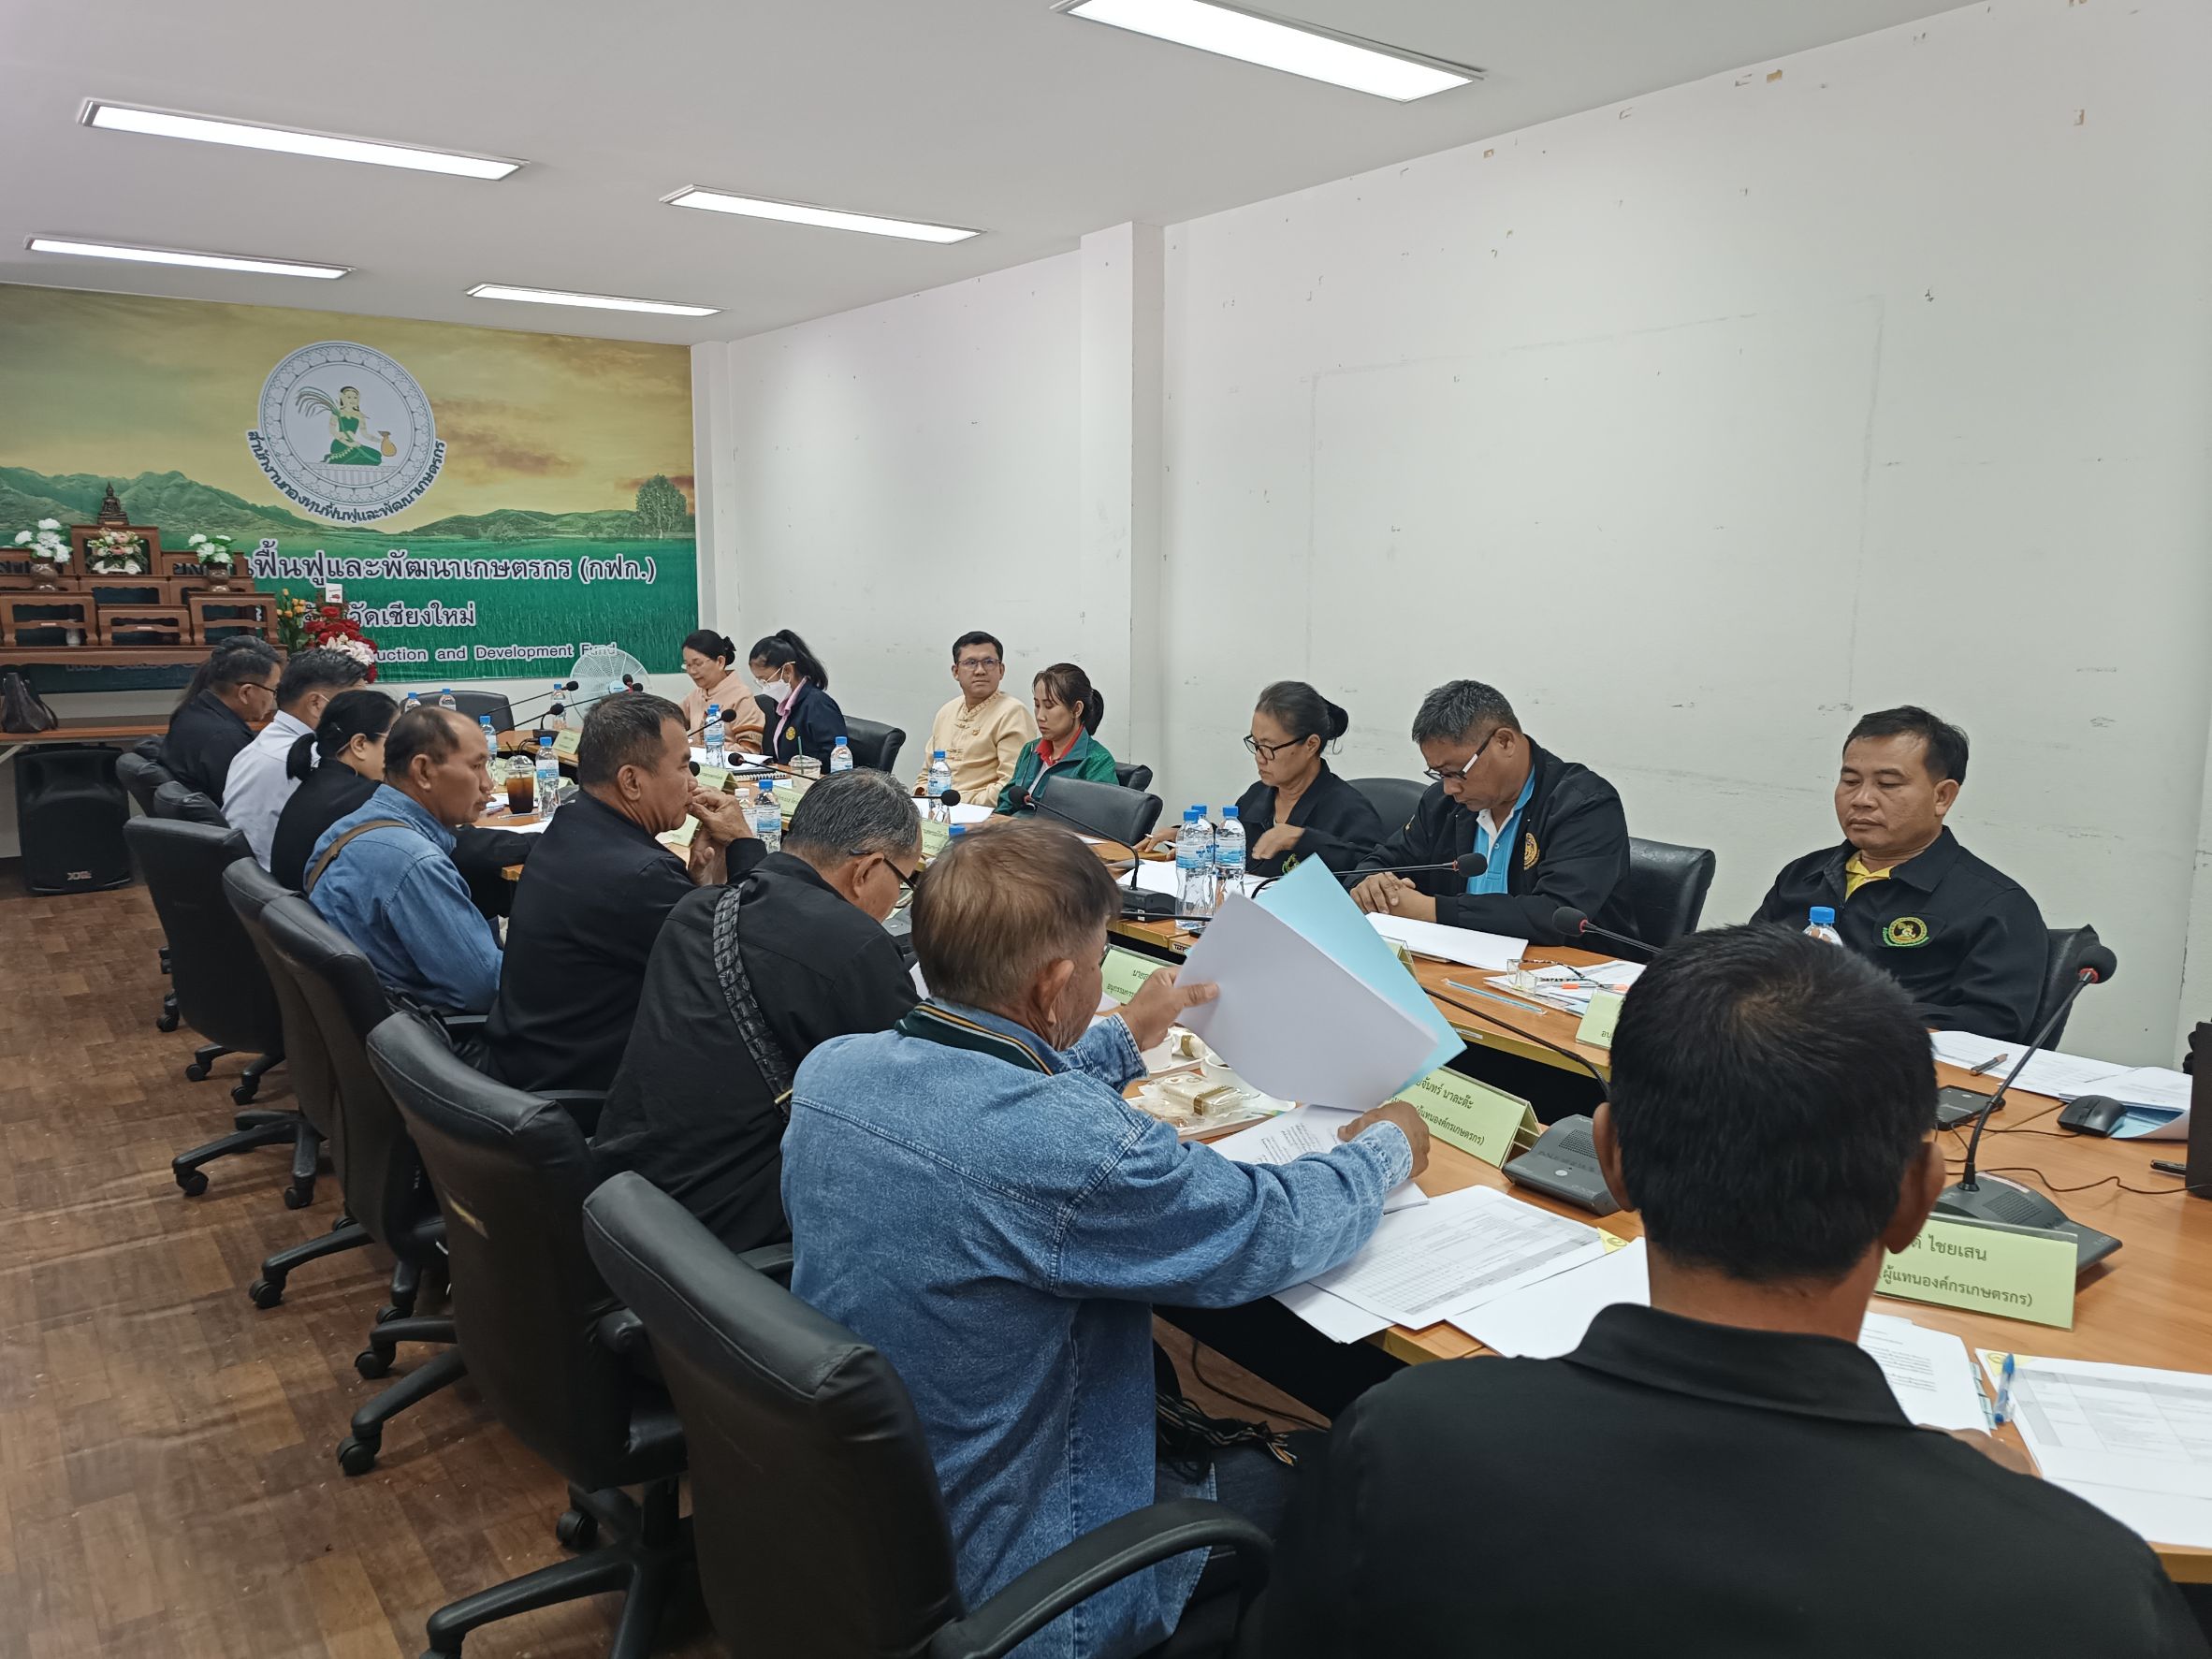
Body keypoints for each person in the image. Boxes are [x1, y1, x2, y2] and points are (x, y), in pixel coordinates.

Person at [1244, 925, 2205, 1658]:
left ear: (1611, 1158)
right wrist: (2014, 1521)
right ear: (1917, 1199)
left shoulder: (1402, 1440)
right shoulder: (2083, 1591)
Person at [783, 822, 1429, 1659]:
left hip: (875, 1518)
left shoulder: (833, 1069)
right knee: (1333, 1469)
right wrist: (1384, 1152)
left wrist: (1125, 1033)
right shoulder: (1077, 1151)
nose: (1099, 977)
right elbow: (1266, 1227)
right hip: (1033, 1576)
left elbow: (986, 1086)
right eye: (1097, 962)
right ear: (1055, 986)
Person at [595, 768, 924, 1251]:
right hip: (728, 1228)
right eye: (903, 881)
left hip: (626, 1198)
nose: (899, 897)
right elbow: (913, 1101)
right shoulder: (853, 946)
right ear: (867, 870)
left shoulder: (693, 910)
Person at [487, 693, 762, 1093]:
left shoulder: (571, 824)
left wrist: (696, 895)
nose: (693, 783)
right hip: (586, 1094)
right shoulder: (641, 875)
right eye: (683, 766)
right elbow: (752, 962)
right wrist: (743, 844)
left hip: (527, 1065)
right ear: (632, 781)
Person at [1754, 706, 2046, 1042]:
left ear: (1942, 796)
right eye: (1850, 781)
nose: (1862, 799)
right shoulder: (1803, 875)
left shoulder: (1995, 905)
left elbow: (1994, 1026)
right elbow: (1743, 971)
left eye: (1888, 784)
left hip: (1891, 1065)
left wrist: (1851, 1017)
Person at [1351, 678, 1634, 945]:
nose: (1449, 788)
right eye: (1439, 774)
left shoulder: (1584, 804)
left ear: (1504, 742)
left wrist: (1430, 910)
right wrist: (1371, 885)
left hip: (1572, 971)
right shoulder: (1442, 803)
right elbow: (1377, 862)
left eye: (1456, 772)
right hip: (1462, 962)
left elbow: (1555, 913)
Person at [304, 706, 502, 1013]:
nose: (488, 783)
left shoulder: (343, 830)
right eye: (476, 766)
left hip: (371, 1023)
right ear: (423, 771)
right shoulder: (413, 862)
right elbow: (487, 989)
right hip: (435, 1034)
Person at [223, 648, 369, 866]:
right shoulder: (307, 761)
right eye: (356, 703)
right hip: (283, 879)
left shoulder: (263, 741)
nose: (364, 713)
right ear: (316, 704)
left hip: (250, 876)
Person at [1233, 681, 1385, 878]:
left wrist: (1301, 839)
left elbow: (1372, 871)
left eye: (1268, 747)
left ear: (1311, 745)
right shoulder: (1255, 796)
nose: (1259, 757)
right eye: (1255, 743)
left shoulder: (1350, 810)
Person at [269, 689, 397, 892]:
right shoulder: (367, 799)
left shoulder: (317, 782)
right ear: (360, 744)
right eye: (396, 740)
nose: (403, 751)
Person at [915, 630, 1037, 804]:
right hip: (936, 808)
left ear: (1001, 670)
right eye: (971, 663)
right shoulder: (947, 711)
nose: (980, 671)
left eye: (989, 662)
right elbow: (926, 774)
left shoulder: (1013, 712)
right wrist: (923, 799)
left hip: (983, 815)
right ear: (956, 671)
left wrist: (960, 802)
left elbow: (1010, 785)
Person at [163, 638, 281, 805]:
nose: (273, 698)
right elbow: (253, 804)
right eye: (273, 689)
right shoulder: (224, 738)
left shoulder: (193, 710)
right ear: (245, 692)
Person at [993, 662, 1119, 815]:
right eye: (1037, 705)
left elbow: (1097, 819)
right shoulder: (1030, 750)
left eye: (1049, 706)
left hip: (1050, 831)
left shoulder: (1097, 761)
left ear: (1076, 709)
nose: (1040, 716)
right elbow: (1006, 803)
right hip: (1012, 828)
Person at [749, 629, 846, 765]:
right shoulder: (782, 704)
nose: (764, 687)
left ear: (787, 670)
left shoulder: (818, 704)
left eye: (765, 680)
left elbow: (835, 758)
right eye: (759, 681)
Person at [678, 627, 766, 752]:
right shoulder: (696, 695)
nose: (692, 671)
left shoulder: (741, 695)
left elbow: (750, 750)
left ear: (720, 662)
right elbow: (672, 723)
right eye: (687, 665)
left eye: (698, 664)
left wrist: (704, 749)